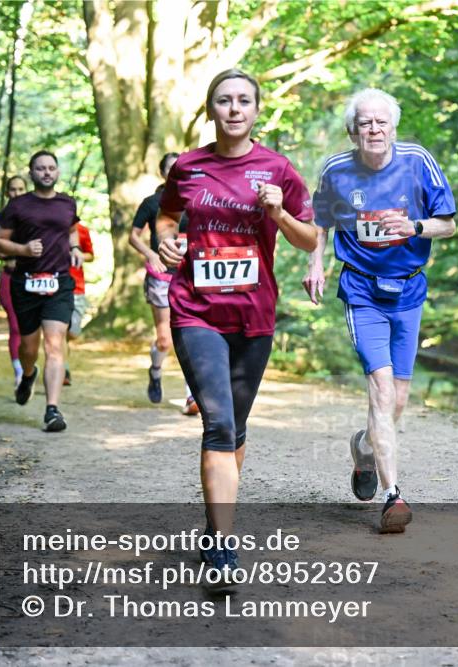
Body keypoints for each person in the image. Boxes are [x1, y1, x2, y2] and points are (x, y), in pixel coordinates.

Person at [157, 69, 316, 585]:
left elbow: (311, 239)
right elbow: (165, 217)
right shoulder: (187, 166)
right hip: (196, 310)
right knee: (219, 424)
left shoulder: (277, 170)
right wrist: (167, 242)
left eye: (243, 100)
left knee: (237, 427)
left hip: (253, 315)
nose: (234, 109)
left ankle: (212, 524)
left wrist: (279, 213)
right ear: (211, 110)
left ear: (256, 110)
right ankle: (224, 548)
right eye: (224, 100)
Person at [304, 88, 457, 534]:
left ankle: (365, 450)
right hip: (361, 291)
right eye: (365, 123)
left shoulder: (418, 161)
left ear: (393, 127)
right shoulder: (336, 170)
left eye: (381, 122)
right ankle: (394, 497)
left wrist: (413, 226)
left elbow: (448, 223)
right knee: (382, 391)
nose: (374, 129)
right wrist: (316, 263)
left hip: (408, 290)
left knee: (399, 400)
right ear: (353, 131)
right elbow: (318, 220)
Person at [0, 150, 84, 432]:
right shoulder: (18, 206)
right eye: (41, 168)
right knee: (29, 348)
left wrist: (76, 247)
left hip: (59, 283)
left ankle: (52, 410)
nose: (46, 172)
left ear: (57, 172)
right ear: (32, 173)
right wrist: (22, 249)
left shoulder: (67, 203)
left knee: (55, 344)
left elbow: (71, 230)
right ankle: (28, 374)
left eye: (51, 168)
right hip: (26, 282)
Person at [129, 153, 199, 415]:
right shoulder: (152, 203)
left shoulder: (196, 200)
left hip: (192, 275)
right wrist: (151, 255)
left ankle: (192, 395)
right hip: (161, 276)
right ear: (162, 173)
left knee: (194, 334)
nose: (175, 173)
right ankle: (155, 370)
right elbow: (133, 236)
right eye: (170, 169)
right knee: (164, 340)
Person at [0, 176, 28, 386]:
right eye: (12, 190)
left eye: (21, 189)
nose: (16, 194)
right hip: (9, 276)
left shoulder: (34, 216)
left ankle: (30, 367)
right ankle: (19, 371)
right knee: (15, 326)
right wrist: (4, 254)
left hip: (32, 277)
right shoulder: (0, 218)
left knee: (31, 328)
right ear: (6, 193)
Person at [63, 220, 94, 386]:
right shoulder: (51, 227)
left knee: (73, 332)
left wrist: (81, 255)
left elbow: (90, 254)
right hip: (57, 286)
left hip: (77, 287)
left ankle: (60, 356)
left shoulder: (82, 230)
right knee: (59, 331)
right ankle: (63, 369)